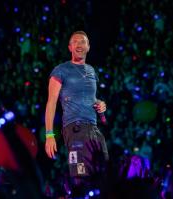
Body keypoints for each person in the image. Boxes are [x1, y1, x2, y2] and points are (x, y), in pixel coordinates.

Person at [44, 31, 109, 198]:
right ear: (70, 47)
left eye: (83, 42)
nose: (79, 45)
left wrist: (101, 107)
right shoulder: (61, 70)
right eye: (75, 42)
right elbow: (51, 102)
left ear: (88, 47)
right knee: (81, 179)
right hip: (75, 129)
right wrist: (49, 134)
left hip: (94, 130)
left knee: (103, 179)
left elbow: (91, 99)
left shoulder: (92, 71)